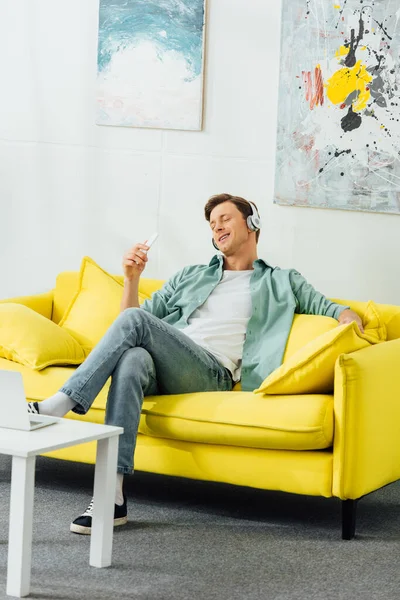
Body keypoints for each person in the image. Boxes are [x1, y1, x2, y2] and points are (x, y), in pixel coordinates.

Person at [28, 193, 362, 534]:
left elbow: (336, 310)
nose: (217, 226)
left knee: (135, 330)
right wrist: (131, 279)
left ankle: (59, 404)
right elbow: (131, 321)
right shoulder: (190, 276)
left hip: (211, 372)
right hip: (167, 363)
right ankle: (111, 497)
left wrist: (349, 319)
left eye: (225, 218)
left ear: (253, 225)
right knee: (131, 359)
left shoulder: (283, 281)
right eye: (213, 223)